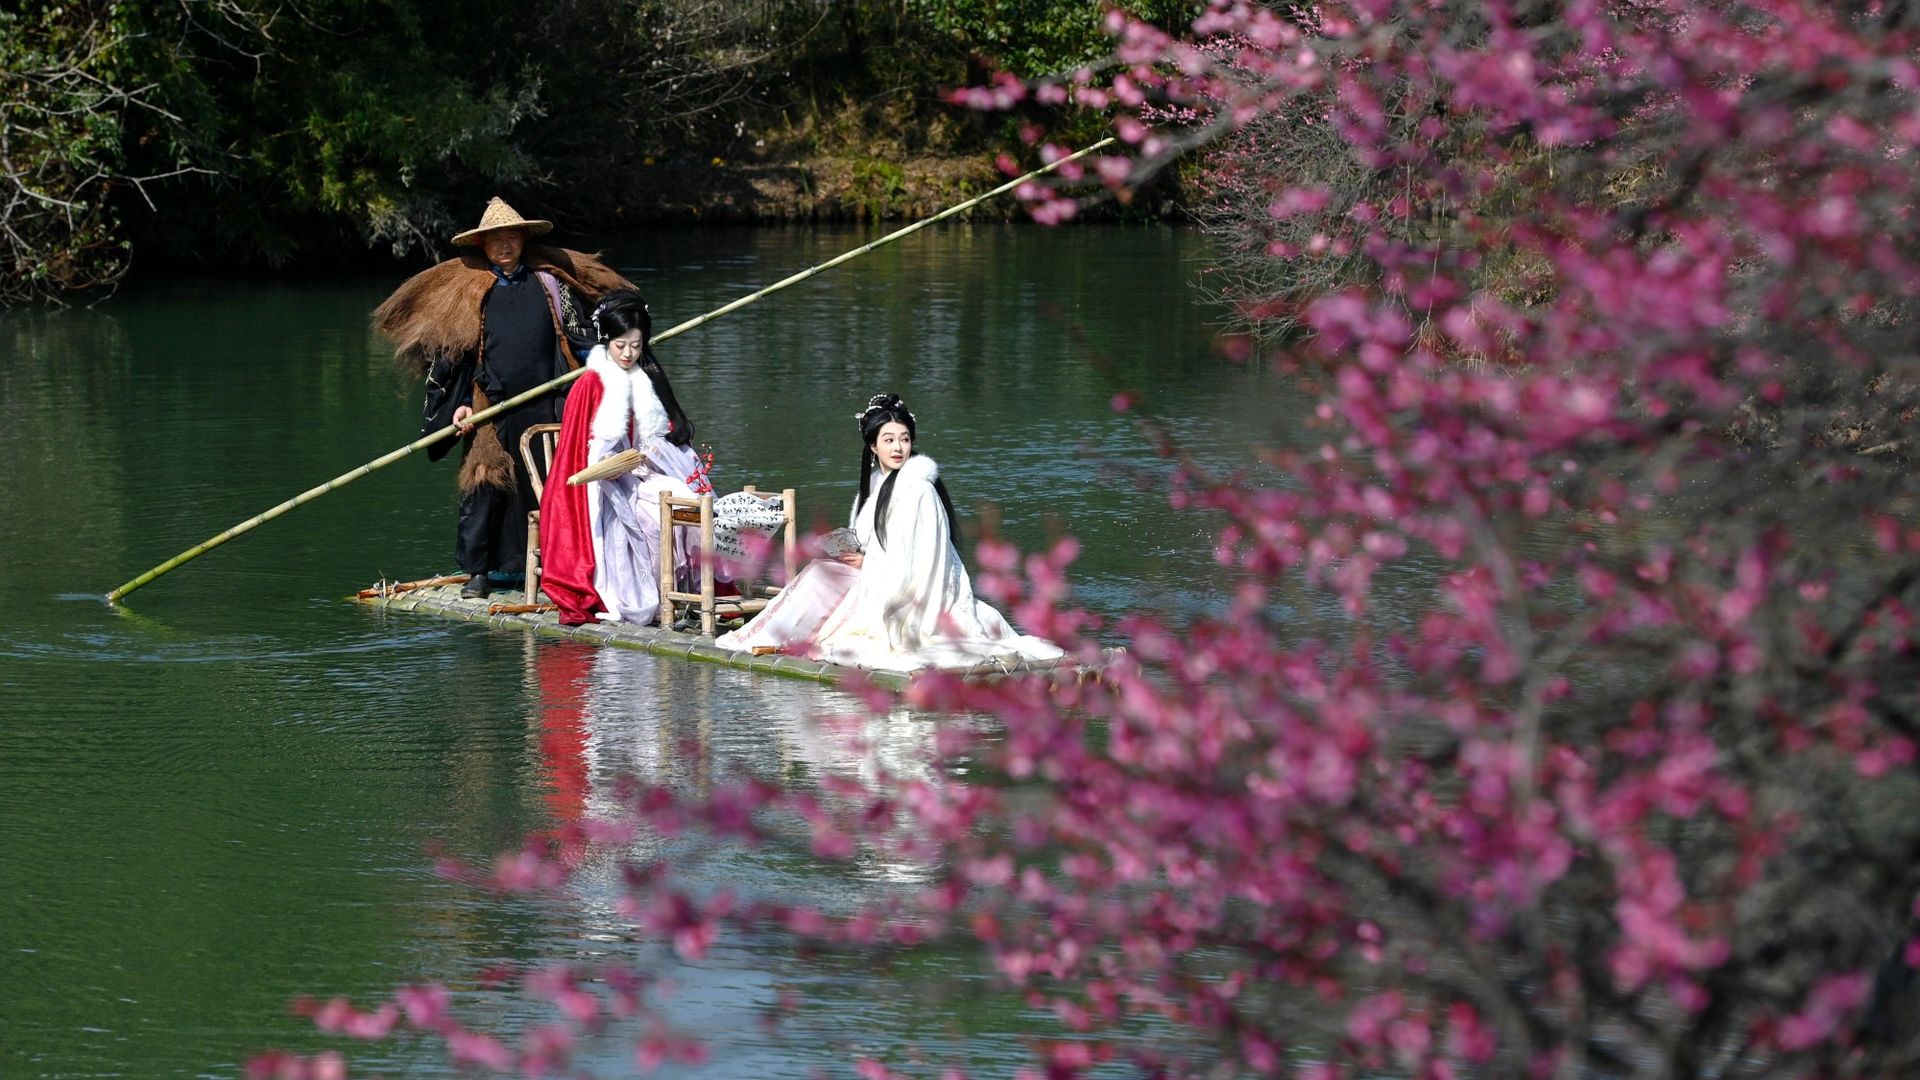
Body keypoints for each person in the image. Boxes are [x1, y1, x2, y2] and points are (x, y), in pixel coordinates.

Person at [373, 197, 633, 598]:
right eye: (496, 240)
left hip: (549, 402)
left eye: (512, 238)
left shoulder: (551, 284)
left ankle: (554, 569)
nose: (505, 246)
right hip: (489, 406)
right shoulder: (472, 292)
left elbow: (580, 336)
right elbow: (453, 355)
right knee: (486, 485)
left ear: (523, 240)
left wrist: (607, 367)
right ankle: (479, 572)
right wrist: (459, 404)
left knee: (550, 487)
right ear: (483, 246)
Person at [714, 393, 1065, 672]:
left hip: (912, 593)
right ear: (873, 447)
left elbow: (926, 561)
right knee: (820, 572)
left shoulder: (919, 490)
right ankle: (768, 636)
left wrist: (869, 564)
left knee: (821, 576)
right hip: (878, 576)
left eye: (904, 439)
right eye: (889, 440)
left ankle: (776, 638)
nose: (898, 448)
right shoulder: (877, 488)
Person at [539, 289, 710, 626]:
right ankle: (661, 596)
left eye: (636, 344)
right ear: (606, 341)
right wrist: (611, 466)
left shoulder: (645, 377)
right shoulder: (590, 383)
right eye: (621, 346)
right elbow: (578, 452)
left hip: (639, 473)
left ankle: (686, 592)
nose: (629, 353)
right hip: (599, 484)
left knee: (691, 500)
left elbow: (660, 436)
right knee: (650, 517)